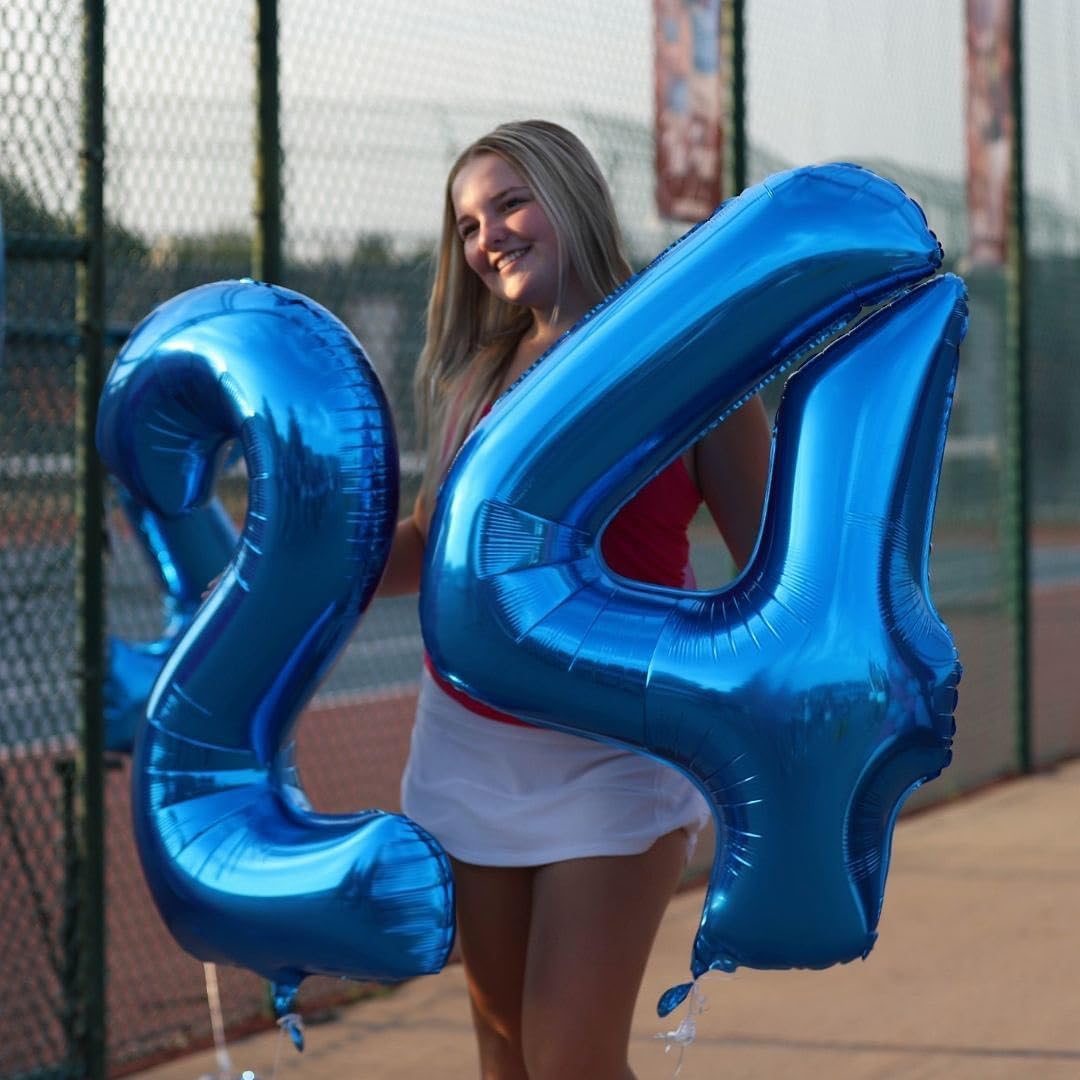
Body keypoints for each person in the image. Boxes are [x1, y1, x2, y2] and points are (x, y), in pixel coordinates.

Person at [377, 119, 771, 1080]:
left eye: (510, 203)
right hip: (468, 744)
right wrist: (289, 575)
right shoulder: (476, 375)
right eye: (469, 224)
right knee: (504, 1052)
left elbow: (771, 568)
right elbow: (434, 544)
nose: (489, 238)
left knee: (570, 1062)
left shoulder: (691, 360)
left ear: (573, 198)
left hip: (615, 751)